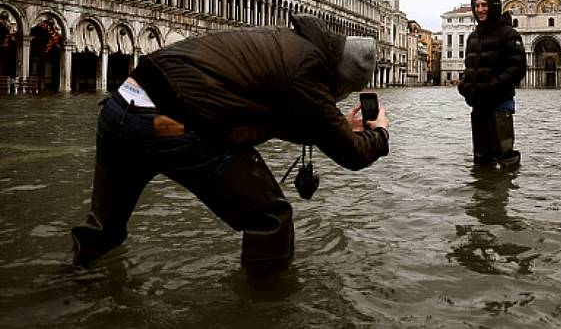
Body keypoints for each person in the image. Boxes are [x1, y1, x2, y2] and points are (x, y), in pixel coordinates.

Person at [71, 14, 390, 273]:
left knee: (104, 231)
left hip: (120, 111)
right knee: (271, 216)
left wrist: (335, 127)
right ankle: (267, 309)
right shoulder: (307, 71)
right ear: (340, 79)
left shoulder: (285, 42)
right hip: (170, 125)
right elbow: (352, 155)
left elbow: (272, 119)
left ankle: (69, 287)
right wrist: (381, 133)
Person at [458, 0, 526, 168]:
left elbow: (518, 68)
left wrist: (494, 85)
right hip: (478, 104)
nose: (480, 9)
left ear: (494, 7)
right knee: (481, 159)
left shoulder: (509, 34)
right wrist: (464, 85)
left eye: (484, 5)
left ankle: (506, 193)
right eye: (477, 6)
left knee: (506, 157)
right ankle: (483, 195)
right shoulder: (473, 37)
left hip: (500, 104)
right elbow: (470, 67)